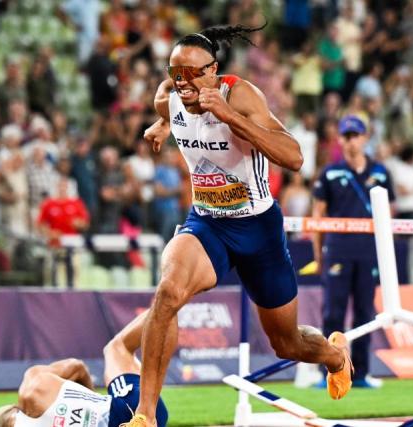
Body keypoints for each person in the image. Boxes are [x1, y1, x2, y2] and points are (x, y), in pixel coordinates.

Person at [123, 24, 352, 427]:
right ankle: (144, 416)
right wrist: (163, 126)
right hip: (207, 223)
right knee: (168, 293)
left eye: (196, 73)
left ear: (214, 71)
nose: (185, 82)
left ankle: (336, 355)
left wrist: (226, 115)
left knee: (286, 343)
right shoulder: (168, 97)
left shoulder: (241, 95)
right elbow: (171, 113)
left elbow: (294, 157)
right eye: (177, 72)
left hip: (258, 229)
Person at [312, 115, 395, 389]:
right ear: (339, 140)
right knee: (332, 313)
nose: (350, 141)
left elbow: (390, 215)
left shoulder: (380, 172)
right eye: (345, 136)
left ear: (365, 138)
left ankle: (360, 374)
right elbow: (317, 217)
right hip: (337, 248)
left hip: (369, 251)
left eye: (355, 135)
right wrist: (318, 255)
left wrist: (386, 256)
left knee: (364, 313)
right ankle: (329, 371)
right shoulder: (329, 173)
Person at [0, 311, 169, 427]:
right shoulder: (32, 386)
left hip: (148, 419)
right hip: (133, 411)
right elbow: (77, 367)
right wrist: (91, 398)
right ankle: (168, 304)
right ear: (15, 408)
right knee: (116, 348)